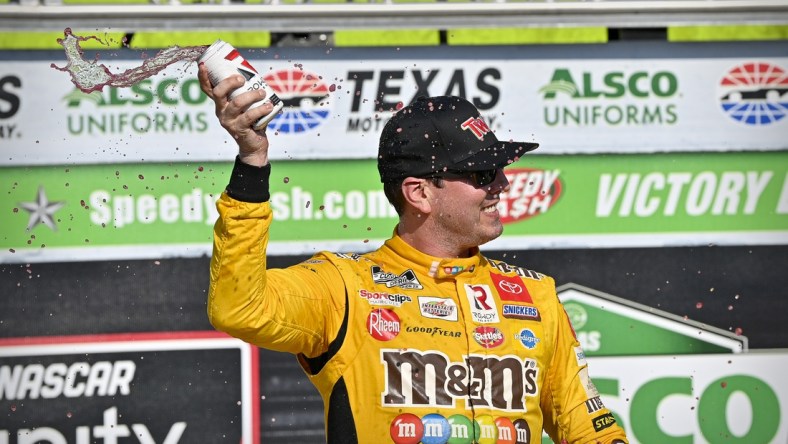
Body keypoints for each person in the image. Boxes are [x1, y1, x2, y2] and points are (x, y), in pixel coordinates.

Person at [199, 64, 629, 444]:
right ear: (419, 193)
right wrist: (253, 163)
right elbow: (238, 307)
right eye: (482, 173)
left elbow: (591, 429)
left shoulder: (536, 297)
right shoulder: (344, 287)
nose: (502, 184)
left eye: (500, 169)